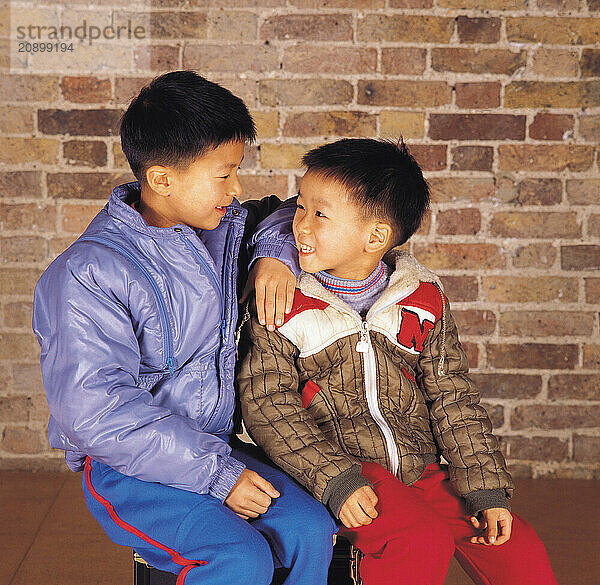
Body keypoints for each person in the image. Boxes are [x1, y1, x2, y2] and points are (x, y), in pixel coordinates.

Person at [32, 70, 336, 585]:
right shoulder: (89, 273)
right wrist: (219, 477)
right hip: (124, 465)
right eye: (224, 174)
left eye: (237, 170)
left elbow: (289, 214)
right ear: (162, 179)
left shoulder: (221, 229)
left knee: (308, 528)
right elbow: (96, 411)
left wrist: (275, 257)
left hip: (213, 447)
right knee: (239, 557)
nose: (237, 188)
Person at [237, 138, 558, 585]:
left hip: (420, 468)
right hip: (344, 468)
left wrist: (484, 487)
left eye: (319, 214)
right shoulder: (283, 299)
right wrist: (334, 479)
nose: (300, 226)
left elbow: (453, 397)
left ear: (376, 237)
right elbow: (267, 404)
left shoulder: (421, 297)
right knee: (419, 538)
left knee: (515, 546)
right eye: (300, 208)